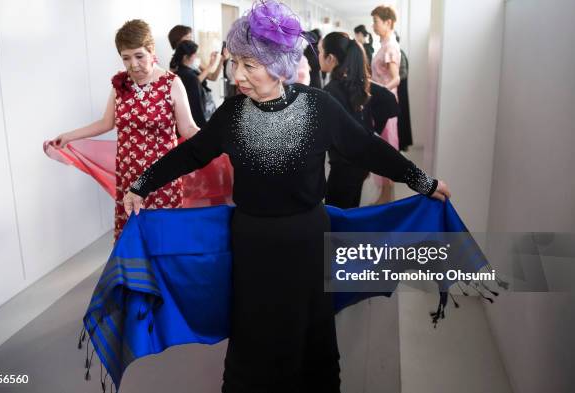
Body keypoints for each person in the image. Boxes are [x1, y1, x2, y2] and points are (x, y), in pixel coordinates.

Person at [123, 1, 450, 391]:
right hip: (251, 244)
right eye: (234, 64)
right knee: (253, 335)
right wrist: (142, 183)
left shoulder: (318, 108)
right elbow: (191, 153)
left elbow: (367, 148)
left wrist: (421, 179)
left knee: (312, 338)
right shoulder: (232, 113)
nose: (237, 75)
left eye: (249, 65)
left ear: (277, 64)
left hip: (308, 243)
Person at [51, 19, 199, 240]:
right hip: (128, 176)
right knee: (133, 235)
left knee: (163, 234)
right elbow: (105, 123)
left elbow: (187, 128)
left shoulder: (171, 83)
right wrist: (69, 136)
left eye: (139, 56)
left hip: (162, 176)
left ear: (151, 50)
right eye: (126, 58)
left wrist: (218, 140)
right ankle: (136, 275)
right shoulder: (121, 85)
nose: (133, 65)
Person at [319, 32, 400, 209]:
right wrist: (371, 129)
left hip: (344, 167)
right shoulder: (356, 84)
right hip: (360, 164)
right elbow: (390, 101)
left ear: (330, 58)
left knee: (338, 219)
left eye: (319, 52)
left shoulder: (332, 90)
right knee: (350, 212)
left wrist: (370, 129)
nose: (318, 56)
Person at [371, 5, 402, 204]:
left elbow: (396, 78)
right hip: (381, 103)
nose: (373, 26)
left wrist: (380, 90)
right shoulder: (383, 45)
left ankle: (386, 199)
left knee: (387, 149)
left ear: (388, 22)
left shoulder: (390, 46)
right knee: (381, 149)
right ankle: (384, 196)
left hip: (386, 105)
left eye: (376, 21)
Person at [170, 40, 207, 128]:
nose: (197, 58)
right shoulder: (191, 77)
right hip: (192, 125)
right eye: (195, 55)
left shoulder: (176, 74)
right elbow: (196, 107)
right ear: (186, 57)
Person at [395, 31, 413, 151]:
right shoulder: (398, 53)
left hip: (400, 91)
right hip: (399, 90)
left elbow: (403, 73)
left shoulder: (399, 53)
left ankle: (402, 143)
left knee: (401, 118)